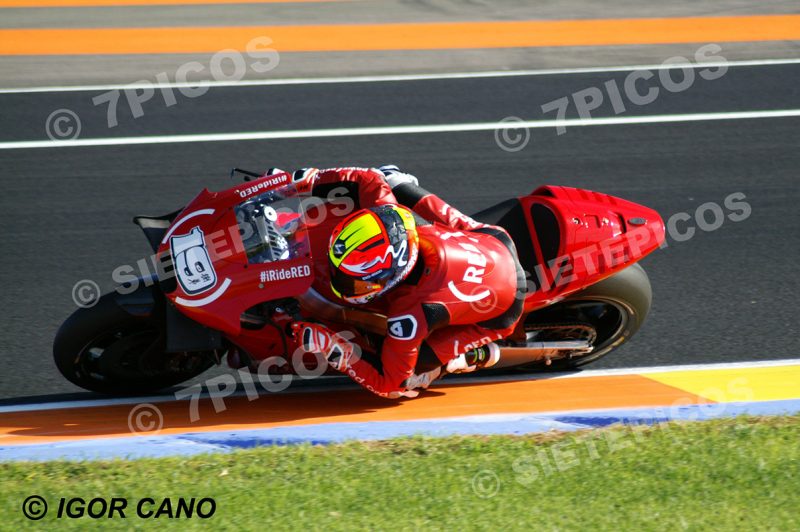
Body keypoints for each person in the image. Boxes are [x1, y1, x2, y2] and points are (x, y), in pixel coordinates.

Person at [287, 165, 526, 399]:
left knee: (412, 375)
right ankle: (401, 179)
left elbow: (389, 385)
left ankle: (471, 357)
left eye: (355, 282)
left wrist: (332, 347)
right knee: (388, 177)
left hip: (503, 307)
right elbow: (367, 178)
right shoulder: (390, 214)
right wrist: (310, 179)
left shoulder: (411, 313)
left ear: (393, 278)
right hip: (492, 238)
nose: (345, 283)